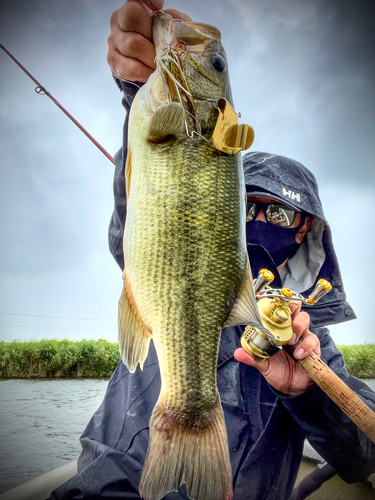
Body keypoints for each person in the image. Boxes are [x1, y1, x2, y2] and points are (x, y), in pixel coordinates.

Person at [50, 2, 375, 499]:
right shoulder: (183, 236)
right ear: (227, 206)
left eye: (282, 215)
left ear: (307, 232)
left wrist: (310, 392)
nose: (263, 221)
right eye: (250, 208)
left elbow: (361, 457)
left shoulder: (311, 344)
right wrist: (139, 89)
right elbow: (135, 222)